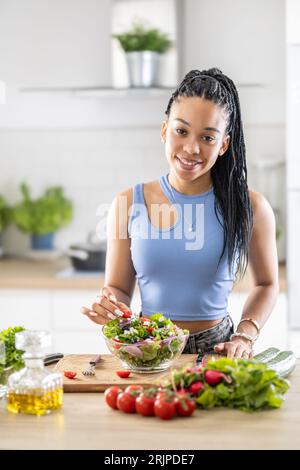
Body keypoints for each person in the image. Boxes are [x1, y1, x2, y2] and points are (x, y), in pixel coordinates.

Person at [81, 68, 279, 361]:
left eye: (208, 138)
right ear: (164, 130)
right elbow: (119, 287)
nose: (191, 148)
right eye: (181, 131)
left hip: (219, 351)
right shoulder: (127, 203)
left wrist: (245, 335)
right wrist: (111, 306)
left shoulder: (251, 206)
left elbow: (266, 284)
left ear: (223, 144)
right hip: (147, 348)